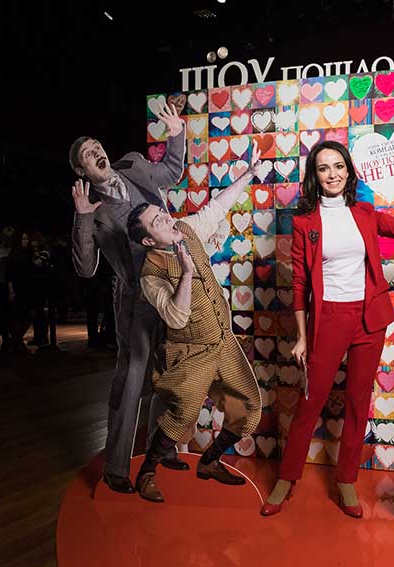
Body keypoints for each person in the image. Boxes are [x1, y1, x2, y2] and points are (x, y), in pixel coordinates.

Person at [260, 140, 394, 517]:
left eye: (338, 166)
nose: (332, 174)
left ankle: (346, 479)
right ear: (315, 176)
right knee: (310, 401)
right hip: (328, 318)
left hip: (368, 318)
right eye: (324, 168)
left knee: (359, 402)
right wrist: (302, 336)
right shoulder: (305, 222)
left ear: (348, 170)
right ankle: (287, 476)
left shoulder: (364, 212)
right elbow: (299, 282)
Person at [126, 142, 264, 502]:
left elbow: (217, 207)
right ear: (147, 239)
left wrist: (248, 174)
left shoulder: (185, 229)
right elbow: (176, 316)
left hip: (223, 341)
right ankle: (147, 472)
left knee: (249, 406)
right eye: (158, 221)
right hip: (191, 351)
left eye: (163, 213)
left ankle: (210, 461)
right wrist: (186, 274)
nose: (167, 219)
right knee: (184, 412)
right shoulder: (151, 273)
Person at [69, 102, 187, 495]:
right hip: (135, 298)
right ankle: (116, 466)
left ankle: (161, 448)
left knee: (169, 370)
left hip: (171, 284)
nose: (96, 152)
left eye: (96, 146)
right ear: (82, 171)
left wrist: (176, 134)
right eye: (87, 154)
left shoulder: (134, 164)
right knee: (133, 375)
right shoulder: (93, 210)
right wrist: (83, 216)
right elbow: (85, 267)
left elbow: (170, 172)